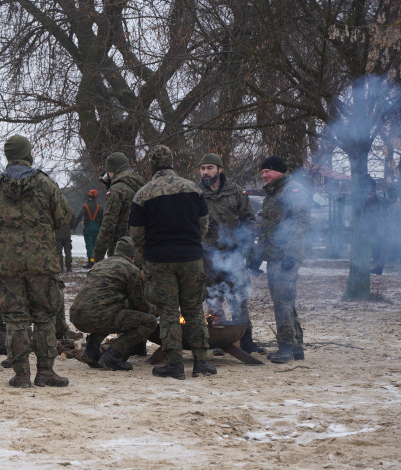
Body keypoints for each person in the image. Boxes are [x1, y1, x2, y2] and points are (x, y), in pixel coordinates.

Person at [0, 134, 73, 388]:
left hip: (7, 265)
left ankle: (21, 375)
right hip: (42, 263)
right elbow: (64, 217)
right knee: (44, 317)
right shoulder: (45, 184)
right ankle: (45, 372)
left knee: (15, 320)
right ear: (29, 155)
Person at [129, 145, 214, 380]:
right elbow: (204, 225)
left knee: (168, 311)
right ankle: (201, 362)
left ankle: (175, 364)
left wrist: (146, 258)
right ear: (172, 162)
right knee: (195, 309)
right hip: (191, 259)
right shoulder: (193, 189)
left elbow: (137, 234)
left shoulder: (143, 194)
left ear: (152, 165)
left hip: (160, 260)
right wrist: (191, 245)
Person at [198, 152, 262, 354]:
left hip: (233, 255)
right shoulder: (195, 193)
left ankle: (245, 340)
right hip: (207, 257)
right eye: (202, 168)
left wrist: (244, 245)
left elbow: (249, 220)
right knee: (213, 300)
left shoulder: (236, 192)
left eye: (210, 168)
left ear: (220, 170)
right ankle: (219, 341)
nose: (205, 172)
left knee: (238, 298)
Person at [70, 236, 157, 370]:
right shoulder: (131, 269)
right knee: (149, 321)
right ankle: (113, 355)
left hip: (77, 316)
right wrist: (157, 309)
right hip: (101, 315)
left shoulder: (99, 264)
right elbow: (140, 305)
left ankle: (91, 350)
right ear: (133, 256)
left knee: (111, 311)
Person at [255, 155, 310, 364]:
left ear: (279, 170)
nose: (265, 175)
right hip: (275, 255)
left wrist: (291, 253)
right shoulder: (273, 193)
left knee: (282, 301)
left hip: (286, 255)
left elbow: (301, 223)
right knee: (286, 299)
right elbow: (268, 227)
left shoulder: (293, 191)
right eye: (262, 173)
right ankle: (296, 347)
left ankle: (286, 348)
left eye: (267, 171)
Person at [91, 152, 145, 266]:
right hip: (141, 248)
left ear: (112, 170)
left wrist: (97, 256)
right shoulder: (141, 186)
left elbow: (108, 225)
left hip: (121, 251)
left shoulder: (116, 190)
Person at [72, 189, 103, 268]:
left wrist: (74, 225)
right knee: (96, 245)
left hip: (88, 227)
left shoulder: (85, 206)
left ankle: (91, 262)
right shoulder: (99, 207)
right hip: (97, 227)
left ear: (89, 196)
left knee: (89, 246)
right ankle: (97, 261)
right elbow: (102, 219)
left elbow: (79, 216)